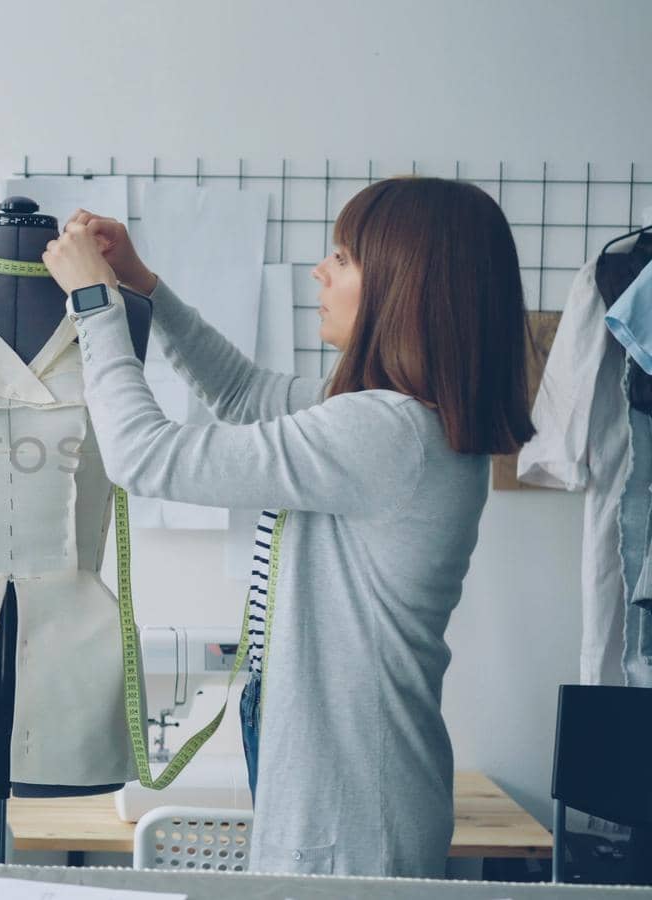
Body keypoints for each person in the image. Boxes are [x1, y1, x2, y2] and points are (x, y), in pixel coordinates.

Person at [42, 177, 534, 877]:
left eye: (343, 257)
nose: (320, 272)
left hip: (350, 815)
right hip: (358, 795)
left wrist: (95, 303)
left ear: (405, 286)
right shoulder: (401, 418)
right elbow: (245, 393)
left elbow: (143, 455)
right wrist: (141, 285)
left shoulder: (385, 433)